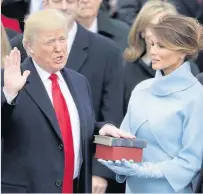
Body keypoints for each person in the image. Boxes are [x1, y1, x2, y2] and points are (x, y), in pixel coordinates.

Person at [1, 9, 133, 193]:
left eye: (62, 39)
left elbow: (68, 127)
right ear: (29, 47)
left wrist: (100, 129)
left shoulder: (78, 82)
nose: (59, 48)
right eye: (50, 42)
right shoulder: (9, 80)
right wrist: (8, 94)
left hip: (75, 187)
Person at [99, 14, 203, 193]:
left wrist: (147, 171)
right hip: (134, 187)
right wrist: (114, 156)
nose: (153, 51)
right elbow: (125, 139)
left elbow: (191, 161)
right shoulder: (141, 89)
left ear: (183, 50)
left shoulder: (196, 97)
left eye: (161, 46)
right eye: (152, 44)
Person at [122, 0, 180, 113]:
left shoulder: (189, 69)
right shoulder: (124, 70)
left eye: (166, 27)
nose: (160, 33)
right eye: (154, 27)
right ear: (142, 31)